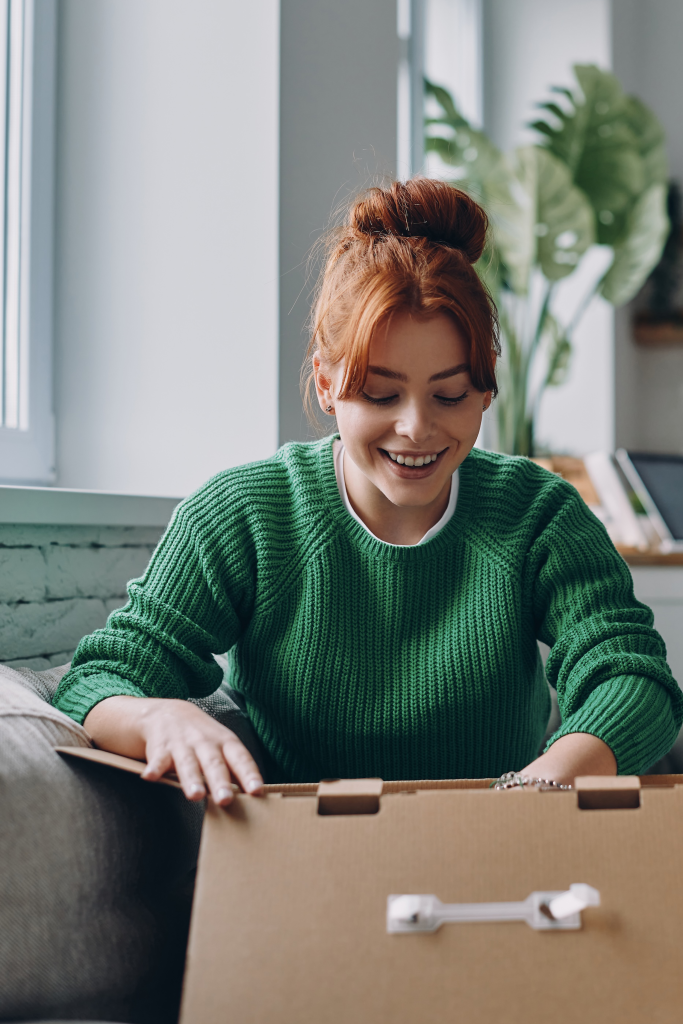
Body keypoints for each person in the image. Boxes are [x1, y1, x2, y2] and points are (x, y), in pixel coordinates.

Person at [53, 178, 682, 805]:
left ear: (486, 390)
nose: (416, 427)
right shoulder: (245, 514)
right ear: (326, 385)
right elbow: (101, 678)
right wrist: (159, 718)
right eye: (380, 394)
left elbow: (633, 675)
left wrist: (541, 786)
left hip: (500, 847)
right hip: (310, 862)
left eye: (450, 394)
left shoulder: (537, 514)